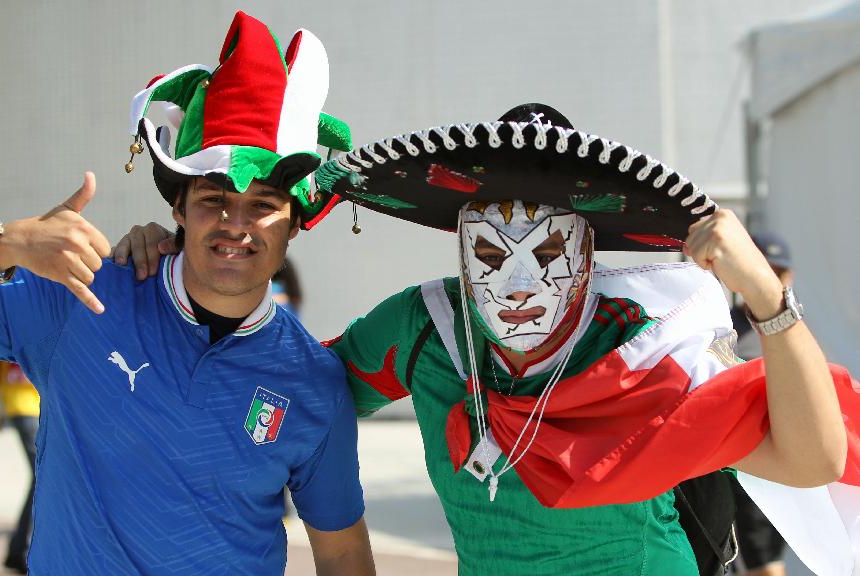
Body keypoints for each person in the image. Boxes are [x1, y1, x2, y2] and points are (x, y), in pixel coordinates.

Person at [118, 104, 859, 575]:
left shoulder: (643, 346)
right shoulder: (424, 329)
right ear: (459, 245)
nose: (517, 284)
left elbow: (811, 458)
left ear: (588, 256)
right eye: (493, 253)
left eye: (546, 254)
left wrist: (766, 298)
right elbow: (287, 393)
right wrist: (180, 268)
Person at [0, 12, 373, 576]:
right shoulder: (79, 295)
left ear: (295, 222)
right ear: (177, 208)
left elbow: (343, 550)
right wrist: (0, 245)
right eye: (213, 198)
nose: (235, 223)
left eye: (263, 205)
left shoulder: (313, 379)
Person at [730, 232, 794, 576]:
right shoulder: (719, 324)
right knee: (756, 562)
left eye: (776, 272)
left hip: (782, 465)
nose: (766, 280)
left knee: (770, 560)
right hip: (739, 464)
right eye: (761, 269)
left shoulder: (795, 332)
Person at [0, 361, 40, 574]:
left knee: (40, 476)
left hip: (36, 405)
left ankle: (19, 548)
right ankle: (21, 549)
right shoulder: (17, 327)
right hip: (22, 405)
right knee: (41, 476)